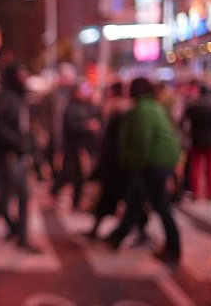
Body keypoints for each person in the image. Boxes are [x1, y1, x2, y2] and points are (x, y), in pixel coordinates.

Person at [104, 77, 182, 264]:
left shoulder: (143, 111)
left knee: (160, 205)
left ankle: (173, 247)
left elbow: (142, 143)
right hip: (156, 162)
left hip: (153, 163)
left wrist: (134, 166)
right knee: (135, 200)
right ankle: (118, 236)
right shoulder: (150, 107)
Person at [0, 62, 39, 253]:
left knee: (23, 196)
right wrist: (15, 143)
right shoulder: (5, 98)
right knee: (4, 199)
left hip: (17, 155)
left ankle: (22, 236)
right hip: (8, 155)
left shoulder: (17, 98)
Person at [84, 82, 148, 242]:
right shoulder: (129, 111)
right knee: (126, 199)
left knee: (120, 198)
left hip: (117, 164)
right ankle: (134, 232)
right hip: (121, 164)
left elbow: (114, 142)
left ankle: (129, 233)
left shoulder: (121, 113)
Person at [49, 81, 101, 210]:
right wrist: (87, 126)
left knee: (78, 177)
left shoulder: (84, 106)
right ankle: (56, 192)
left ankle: (75, 202)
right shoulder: (72, 107)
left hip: (79, 147)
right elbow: (71, 127)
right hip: (72, 147)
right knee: (69, 174)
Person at [182, 85, 211, 200]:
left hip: (196, 140)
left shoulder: (192, 106)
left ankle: (195, 193)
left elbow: (183, 123)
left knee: (195, 166)